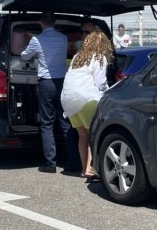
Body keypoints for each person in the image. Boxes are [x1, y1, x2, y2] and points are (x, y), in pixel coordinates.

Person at [21, 11, 69, 173]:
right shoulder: (63, 38)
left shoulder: (36, 40)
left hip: (46, 84)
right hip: (62, 82)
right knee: (65, 122)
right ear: (54, 22)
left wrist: (28, 40)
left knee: (47, 124)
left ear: (41, 23)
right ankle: (73, 161)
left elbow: (24, 57)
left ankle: (50, 163)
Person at [61, 29, 113, 179]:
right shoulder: (99, 57)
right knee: (93, 135)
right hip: (86, 98)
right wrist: (109, 93)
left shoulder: (78, 56)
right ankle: (90, 169)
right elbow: (101, 82)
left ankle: (84, 169)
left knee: (82, 136)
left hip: (68, 99)